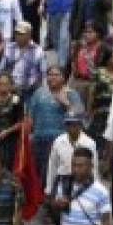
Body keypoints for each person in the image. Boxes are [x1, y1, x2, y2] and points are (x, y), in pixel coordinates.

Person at [27, 66, 83, 201]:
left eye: (56, 75)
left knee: (58, 172)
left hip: (61, 141)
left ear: (63, 77)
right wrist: (29, 135)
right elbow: (30, 115)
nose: (52, 77)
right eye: (49, 74)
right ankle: (42, 198)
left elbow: (78, 114)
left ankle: (55, 203)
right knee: (40, 171)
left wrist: (65, 103)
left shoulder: (71, 93)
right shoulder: (39, 93)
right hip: (39, 139)